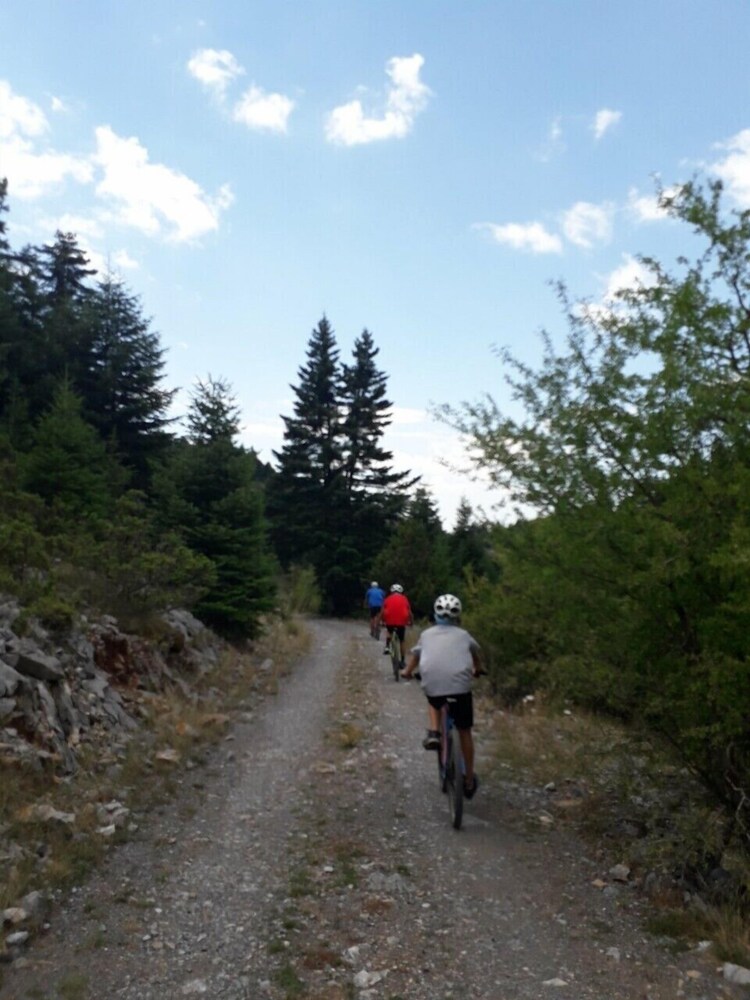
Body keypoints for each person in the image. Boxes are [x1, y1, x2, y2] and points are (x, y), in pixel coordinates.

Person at [400, 593, 482, 800]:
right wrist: (478, 669)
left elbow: (416, 656)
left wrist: (407, 672)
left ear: (435, 614)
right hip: (460, 689)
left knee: (433, 699)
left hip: (434, 683)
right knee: (464, 731)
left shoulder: (426, 634)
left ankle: (434, 732)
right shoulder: (464, 635)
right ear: (458, 615)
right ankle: (469, 780)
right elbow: (475, 655)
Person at [381, 583, 413, 666]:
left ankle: (387, 646)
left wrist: (382, 621)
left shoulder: (387, 598)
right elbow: (409, 612)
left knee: (389, 631)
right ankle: (402, 661)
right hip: (402, 621)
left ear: (391, 591)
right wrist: (411, 622)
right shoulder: (404, 599)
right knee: (402, 640)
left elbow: (383, 611)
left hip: (389, 620)